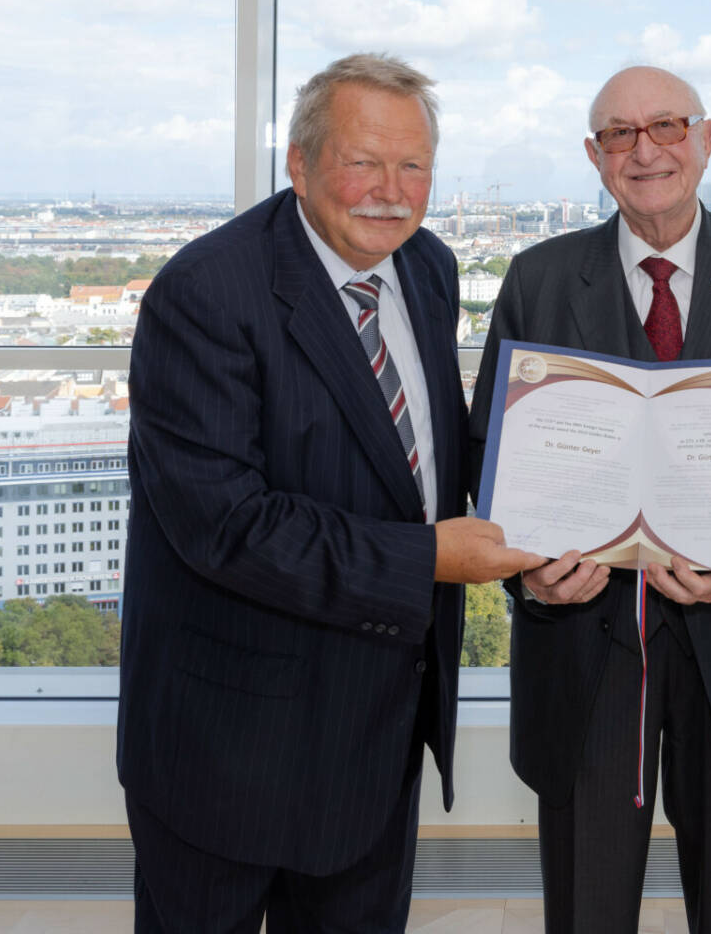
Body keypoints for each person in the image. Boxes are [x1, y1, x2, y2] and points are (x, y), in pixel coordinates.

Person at [118, 53, 543, 933]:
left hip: (376, 732)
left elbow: (422, 455)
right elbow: (226, 526)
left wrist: (547, 531)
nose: (390, 189)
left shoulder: (427, 266)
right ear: (301, 164)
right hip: (228, 746)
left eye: (414, 165)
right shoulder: (205, 293)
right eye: (364, 161)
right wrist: (433, 557)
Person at [467, 65, 711, 933]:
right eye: (619, 134)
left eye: (667, 127)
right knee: (587, 911)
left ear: (706, 139)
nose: (646, 151)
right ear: (595, 157)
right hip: (586, 655)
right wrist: (528, 579)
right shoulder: (538, 277)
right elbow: (491, 457)